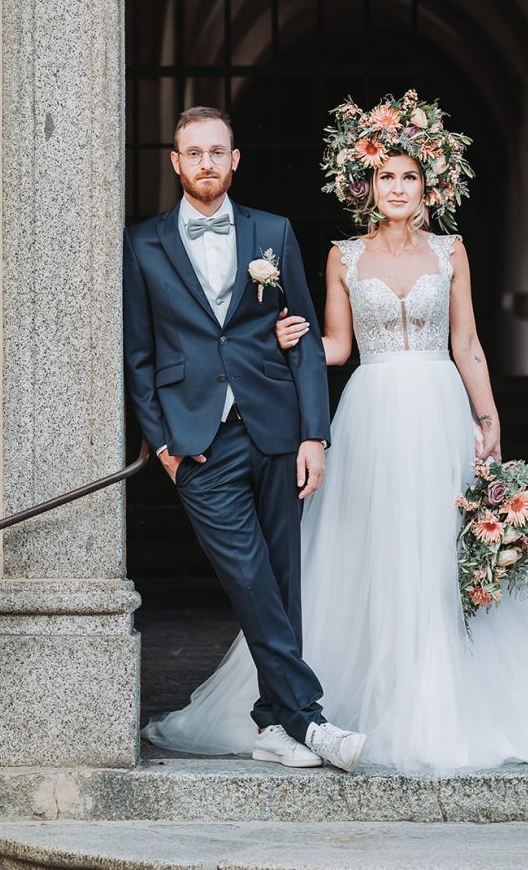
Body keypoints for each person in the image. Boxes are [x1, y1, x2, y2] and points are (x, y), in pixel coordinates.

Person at [144, 93, 528, 774]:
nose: (396, 188)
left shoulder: (451, 252)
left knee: (436, 547)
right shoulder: (342, 257)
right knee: (370, 546)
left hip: (438, 408)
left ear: (429, 187)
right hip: (371, 410)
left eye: (408, 177)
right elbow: (336, 347)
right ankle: (331, 703)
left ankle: (443, 699)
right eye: (385, 176)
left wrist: (488, 419)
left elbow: (468, 344)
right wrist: (282, 340)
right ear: (365, 186)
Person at [124, 105, 367, 772]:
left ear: (234, 160)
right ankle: (309, 720)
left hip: (275, 430)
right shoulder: (142, 243)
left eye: (216, 151)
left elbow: (302, 338)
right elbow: (138, 356)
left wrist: (313, 435)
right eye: (193, 152)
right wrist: (164, 446)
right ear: (175, 163)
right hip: (197, 443)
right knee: (249, 576)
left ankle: (272, 725)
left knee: (282, 579)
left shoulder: (272, 231)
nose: (205, 162)